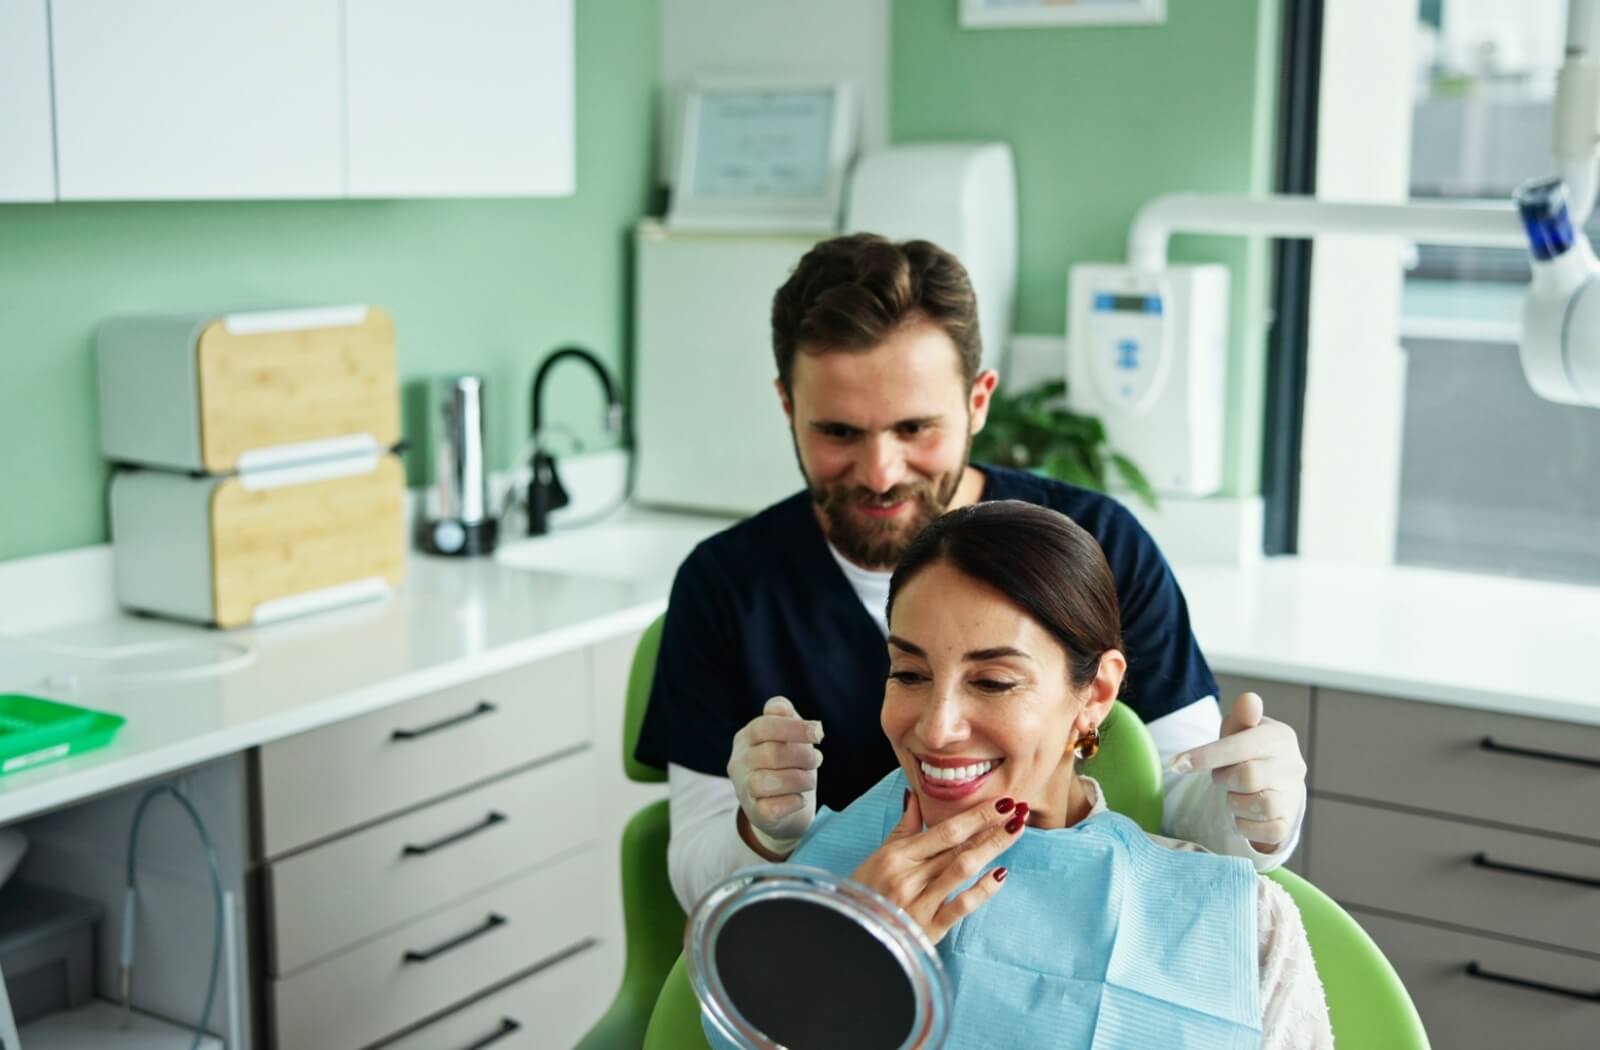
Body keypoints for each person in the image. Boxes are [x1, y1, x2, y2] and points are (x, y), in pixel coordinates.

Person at [634, 234, 1308, 911]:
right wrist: (763, 831)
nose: (880, 472)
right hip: (835, 952)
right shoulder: (727, 586)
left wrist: (1249, 813)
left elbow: (1180, 802)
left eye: (915, 429)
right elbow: (698, 876)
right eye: (839, 432)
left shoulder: (1096, 547)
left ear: (978, 401)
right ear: (788, 406)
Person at [720, 501, 1333, 1048]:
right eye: (909, 673)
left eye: (993, 682)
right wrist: (849, 962)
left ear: (1095, 693)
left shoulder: (1241, 926)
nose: (936, 729)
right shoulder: (819, 886)